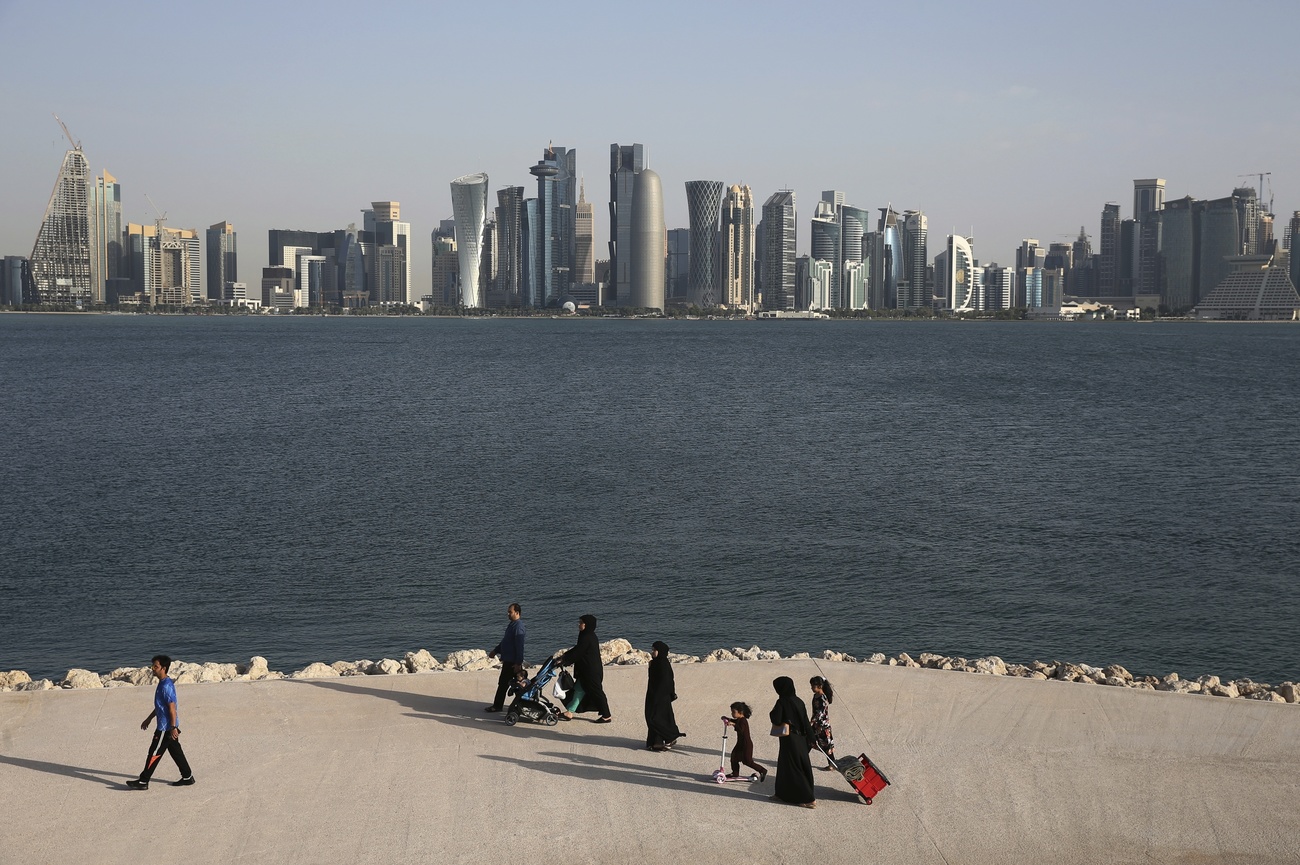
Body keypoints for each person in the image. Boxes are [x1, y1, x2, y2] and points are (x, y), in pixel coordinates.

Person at [126, 655, 195, 789]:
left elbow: (172, 708)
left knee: (154, 753)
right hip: (167, 726)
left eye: (155, 666)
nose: (153, 669)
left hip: (165, 728)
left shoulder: (166, 686)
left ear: (164, 668)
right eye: (152, 666)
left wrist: (173, 727)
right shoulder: (162, 683)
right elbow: (161, 706)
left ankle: (143, 781)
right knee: (176, 752)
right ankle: (187, 777)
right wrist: (149, 718)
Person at [768, 676, 815, 808]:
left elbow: (776, 719)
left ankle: (808, 799)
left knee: (792, 768)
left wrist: (773, 713)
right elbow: (806, 722)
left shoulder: (782, 702)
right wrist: (812, 739)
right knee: (795, 766)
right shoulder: (799, 701)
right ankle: (781, 794)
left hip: (789, 740)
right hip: (801, 739)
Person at [558, 614, 612, 723]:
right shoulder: (585, 635)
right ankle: (569, 712)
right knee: (578, 689)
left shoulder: (588, 637)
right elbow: (577, 649)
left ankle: (606, 715)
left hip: (591, 672)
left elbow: (578, 652)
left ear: (587, 624)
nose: (579, 624)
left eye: (581, 622)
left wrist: (565, 660)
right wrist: (564, 656)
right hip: (585, 671)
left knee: (597, 692)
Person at [485, 602, 525, 713]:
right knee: (514, 684)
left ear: (517, 613)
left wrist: (518, 663)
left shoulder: (518, 627)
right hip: (508, 660)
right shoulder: (512, 625)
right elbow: (505, 642)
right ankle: (520, 705)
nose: (508, 614)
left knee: (506, 684)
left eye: (510, 612)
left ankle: (498, 706)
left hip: (512, 662)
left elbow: (519, 646)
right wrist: (495, 651)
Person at [644, 641, 683, 750]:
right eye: (652, 650)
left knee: (656, 718)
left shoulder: (663, 664)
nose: (652, 652)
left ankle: (670, 737)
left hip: (660, 696)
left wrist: (664, 695)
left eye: (654, 650)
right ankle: (656, 742)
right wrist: (650, 668)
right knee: (653, 717)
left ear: (660, 651)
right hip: (653, 694)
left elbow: (667, 681)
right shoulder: (655, 663)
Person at [723, 701, 767, 780]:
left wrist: (733, 724)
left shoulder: (743, 720)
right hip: (740, 744)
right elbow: (734, 721)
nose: (732, 714)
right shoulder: (739, 719)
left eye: (734, 712)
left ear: (740, 712)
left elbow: (741, 729)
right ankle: (735, 773)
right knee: (734, 757)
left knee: (748, 761)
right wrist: (727, 718)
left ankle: (762, 770)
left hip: (746, 745)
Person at [809, 675, 836, 770]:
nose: (811, 688)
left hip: (822, 726)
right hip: (816, 725)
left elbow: (820, 713)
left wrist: (812, 721)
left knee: (826, 746)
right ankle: (800, 761)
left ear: (820, 686)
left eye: (813, 686)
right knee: (809, 742)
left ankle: (832, 764)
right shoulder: (816, 696)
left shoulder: (823, 698)